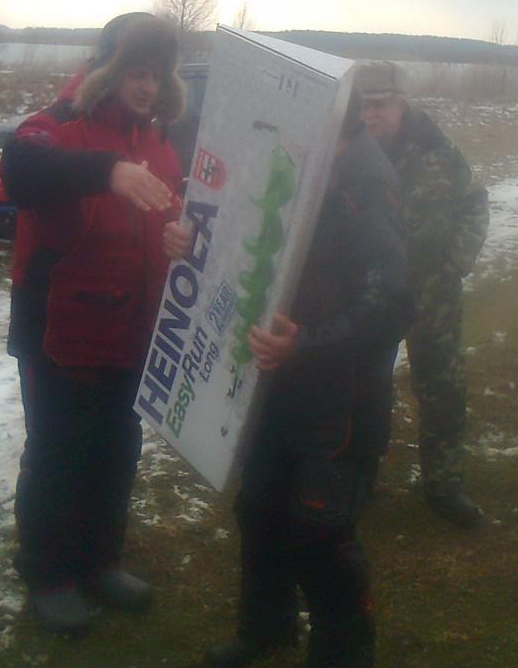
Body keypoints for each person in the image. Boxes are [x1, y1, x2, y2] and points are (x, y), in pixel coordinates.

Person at [178, 94, 412, 668]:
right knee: (258, 510)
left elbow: (391, 305)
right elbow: (240, 243)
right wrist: (188, 242)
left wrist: (305, 343)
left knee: (320, 533)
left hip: (341, 402)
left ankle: (345, 654)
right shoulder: (296, 166)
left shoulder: (366, 190)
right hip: (276, 385)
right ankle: (265, 631)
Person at [0, 12, 184, 635]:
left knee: (115, 451)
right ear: (107, 69)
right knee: (58, 456)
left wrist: (180, 238)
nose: (147, 87)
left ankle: (101, 562)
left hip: (132, 332)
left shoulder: (158, 142)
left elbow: (166, 216)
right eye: (136, 73)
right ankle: (49, 574)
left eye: (157, 75)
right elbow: (20, 169)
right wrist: (107, 170)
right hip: (59, 332)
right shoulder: (57, 124)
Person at [355, 61, 489, 528]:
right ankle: (359, 479)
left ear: (401, 104)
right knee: (364, 391)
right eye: (363, 105)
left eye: (380, 105)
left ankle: (444, 485)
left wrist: (455, 264)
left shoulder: (436, 148)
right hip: (369, 295)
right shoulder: (348, 153)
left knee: (442, 391)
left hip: (432, 293)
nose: (371, 115)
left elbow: (474, 202)